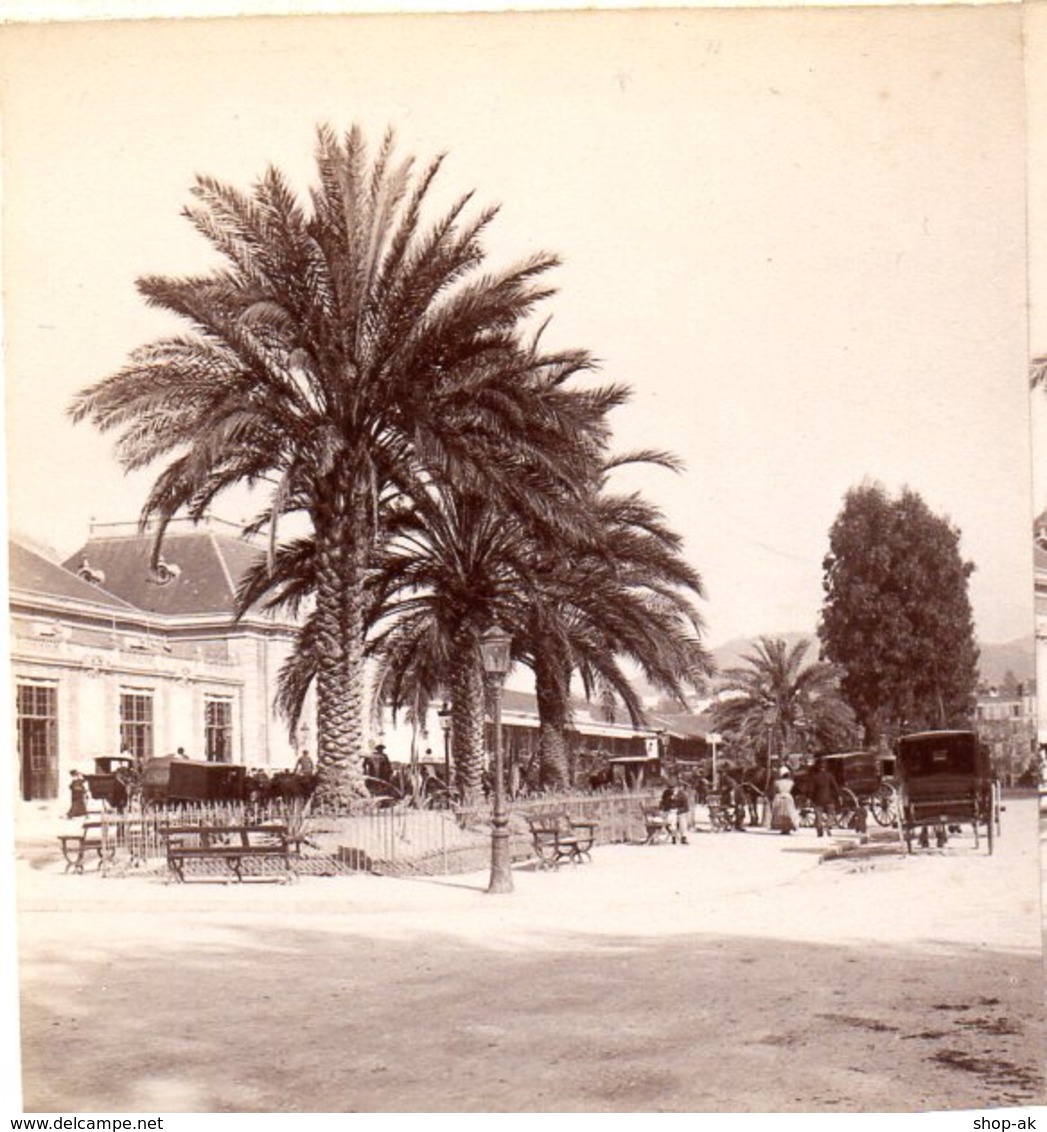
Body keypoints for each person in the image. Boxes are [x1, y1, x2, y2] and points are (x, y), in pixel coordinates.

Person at [808, 757, 840, 838]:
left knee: (818, 815)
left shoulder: (814, 777)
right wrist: (838, 795)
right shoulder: (829, 775)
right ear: (825, 766)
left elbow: (811, 790)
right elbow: (835, 787)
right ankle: (827, 825)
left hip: (818, 799)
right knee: (832, 814)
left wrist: (809, 798)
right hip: (829, 798)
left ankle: (819, 831)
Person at [770, 765, 799, 835]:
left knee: (780, 814)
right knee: (789, 813)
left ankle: (783, 828)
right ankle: (788, 827)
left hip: (779, 797)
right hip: (788, 797)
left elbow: (774, 790)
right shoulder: (791, 782)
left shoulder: (776, 782)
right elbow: (794, 791)